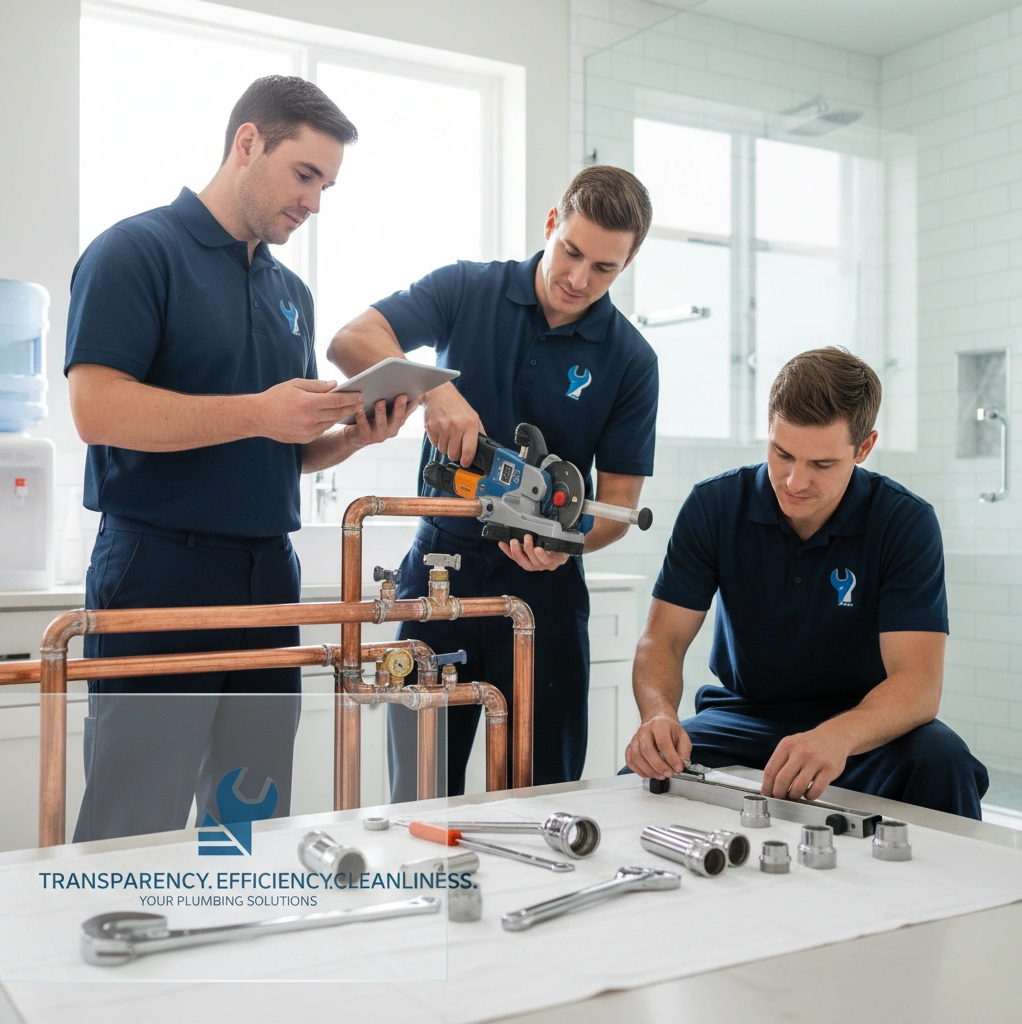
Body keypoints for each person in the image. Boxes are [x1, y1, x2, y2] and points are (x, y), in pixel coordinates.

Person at [65, 76, 412, 842]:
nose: (315, 202)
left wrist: (350, 436)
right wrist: (261, 410)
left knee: (248, 816)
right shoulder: (135, 251)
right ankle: (113, 952)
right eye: (305, 175)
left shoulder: (291, 291)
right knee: (136, 819)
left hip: (267, 574)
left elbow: (274, 454)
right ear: (247, 143)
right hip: (159, 570)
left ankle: (225, 954)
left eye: (327, 184)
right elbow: (96, 411)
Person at [329, 166, 659, 797]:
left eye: (605, 269)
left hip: (546, 595)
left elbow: (618, 507)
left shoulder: (631, 360)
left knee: (543, 798)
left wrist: (560, 545)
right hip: (436, 572)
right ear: (550, 225)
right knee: (420, 796)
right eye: (571, 251)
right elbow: (351, 341)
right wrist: (435, 392)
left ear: (629, 262)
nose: (578, 279)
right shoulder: (466, 289)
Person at [624, 347, 988, 818]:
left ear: (864, 448)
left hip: (862, 722)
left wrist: (837, 736)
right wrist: (658, 714)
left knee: (944, 762)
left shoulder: (905, 522)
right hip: (743, 716)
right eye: (782, 453)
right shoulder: (714, 506)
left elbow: (917, 682)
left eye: (822, 465)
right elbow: (662, 641)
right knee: (639, 786)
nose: (795, 481)